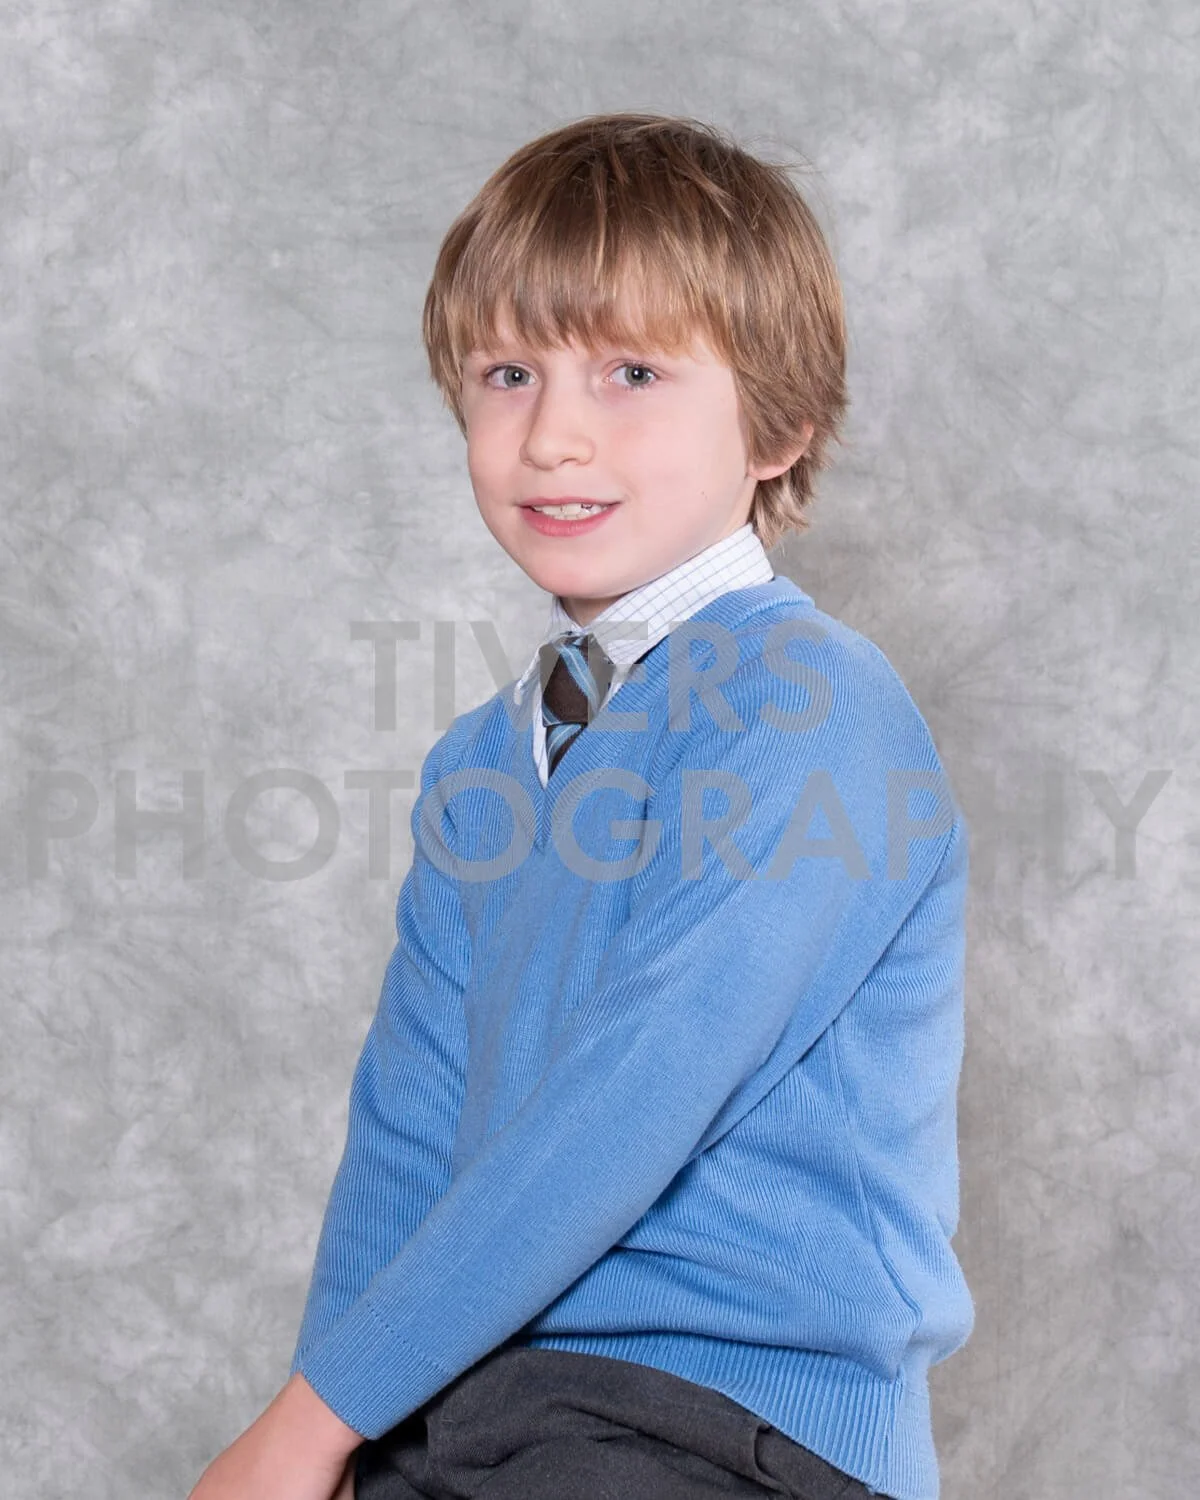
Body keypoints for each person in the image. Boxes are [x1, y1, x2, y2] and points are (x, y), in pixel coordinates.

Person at [187, 112, 973, 1500]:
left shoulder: (807, 706)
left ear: (780, 425)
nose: (553, 435)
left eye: (632, 373)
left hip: (725, 1425)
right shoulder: (480, 769)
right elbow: (407, 1139)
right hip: (482, 1412)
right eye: (508, 374)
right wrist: (317, 1449)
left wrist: (310, 1421)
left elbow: (635, 1097)